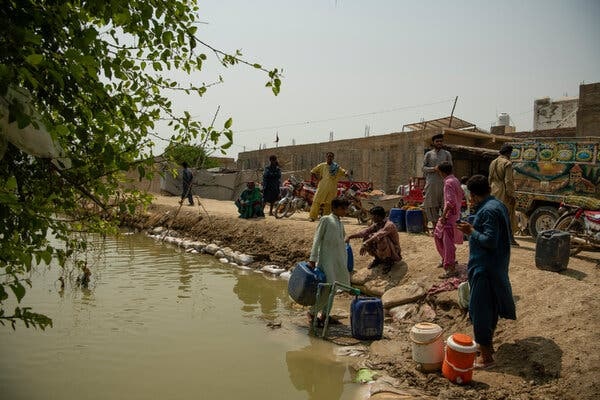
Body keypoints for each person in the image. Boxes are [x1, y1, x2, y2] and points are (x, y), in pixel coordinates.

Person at [457, 175, 516, 369]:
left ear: (472, 195)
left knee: (481, 310)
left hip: (485, 268)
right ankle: (487, 348)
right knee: (489, 309)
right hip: (494, 266)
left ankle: (486, 358)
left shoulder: (489, 211)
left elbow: (490, 241)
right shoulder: (496, 205)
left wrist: (471, 231)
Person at [308, 197, 350, 325]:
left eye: (345, 208)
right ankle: (312, 312)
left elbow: (342, 240)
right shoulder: (326, 219)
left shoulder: (340, 223)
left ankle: (325, 315)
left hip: (338, 260)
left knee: (334, 287)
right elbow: (317, 239)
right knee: (328, 287)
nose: (345, 211)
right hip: (326, 259)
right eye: (343, 208)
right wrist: (313, 258)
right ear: (335, 208)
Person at [345, 206, 402, 274]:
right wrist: (350, 236)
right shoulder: (377, 224)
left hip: (394, 251)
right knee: (367, 236)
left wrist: (365, 243)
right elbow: (364, 232)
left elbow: (378, 235)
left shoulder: (389, 225)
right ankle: (378, 259)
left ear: (378, 216)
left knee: (380, 238)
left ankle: (388, 261)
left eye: (373, 216)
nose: (371, 218)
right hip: (385, 249)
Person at [434, 162, 464, 278]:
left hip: (449, 217)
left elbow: (450, 202)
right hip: (455, 216)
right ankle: (447, 259)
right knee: (439, 236)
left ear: (442, 172)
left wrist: (443, 216)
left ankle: (450, 267)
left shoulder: (448, 182)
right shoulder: (455, 180)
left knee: (447, 241)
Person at [488, 143, 519, 246]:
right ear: (509, 153)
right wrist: (511, 195)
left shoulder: (493, 162)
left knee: (494, 214)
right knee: (507, 215)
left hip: (493, 189)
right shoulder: (507, 163)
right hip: (503, 191)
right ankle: (510, 239)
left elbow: (489, 178)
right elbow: (508, 181)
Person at [422, 134, 452, 227]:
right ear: (433, 142)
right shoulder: (429, 154)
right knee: (431, 204)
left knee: (446, 204)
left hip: (444, 183)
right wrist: (433, 169)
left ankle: (444, 226)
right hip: (432, 182)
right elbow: (423, 168)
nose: (439, 143)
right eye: (437, 141)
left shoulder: (447, 154)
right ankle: (435, 227)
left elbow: (451, 167)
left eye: (441, 141)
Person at [308, 152, 347, 221]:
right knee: (316, 201)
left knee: (329, 204)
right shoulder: (322, 165)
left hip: (332, 188)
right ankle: (312, 217)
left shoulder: (336, 167)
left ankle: (325, 218)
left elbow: (343, 172)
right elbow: (312, 172)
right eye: (328, 156)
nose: (330, 158)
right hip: (322, 187)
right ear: (326, 157)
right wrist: (317, 178)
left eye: (331, 156)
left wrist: (346, 173)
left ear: (333, 158)